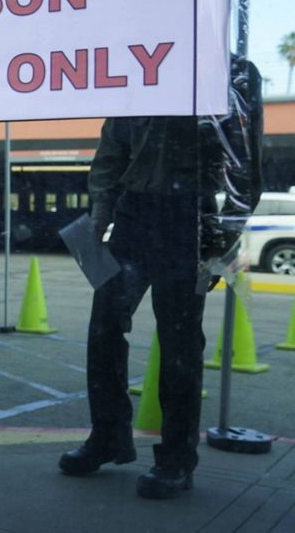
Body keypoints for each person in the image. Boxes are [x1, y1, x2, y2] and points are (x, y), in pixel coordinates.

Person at [58, 118, 218, 499]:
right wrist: (101, 213)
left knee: (180, 344)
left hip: (191, 215)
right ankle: (108, 436)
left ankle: (177, 458)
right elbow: (111, 154)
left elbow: (242, 165)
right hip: (135, 214)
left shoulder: (222, 79)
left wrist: (221, 240)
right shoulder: (141, 78)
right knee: (104, 329)